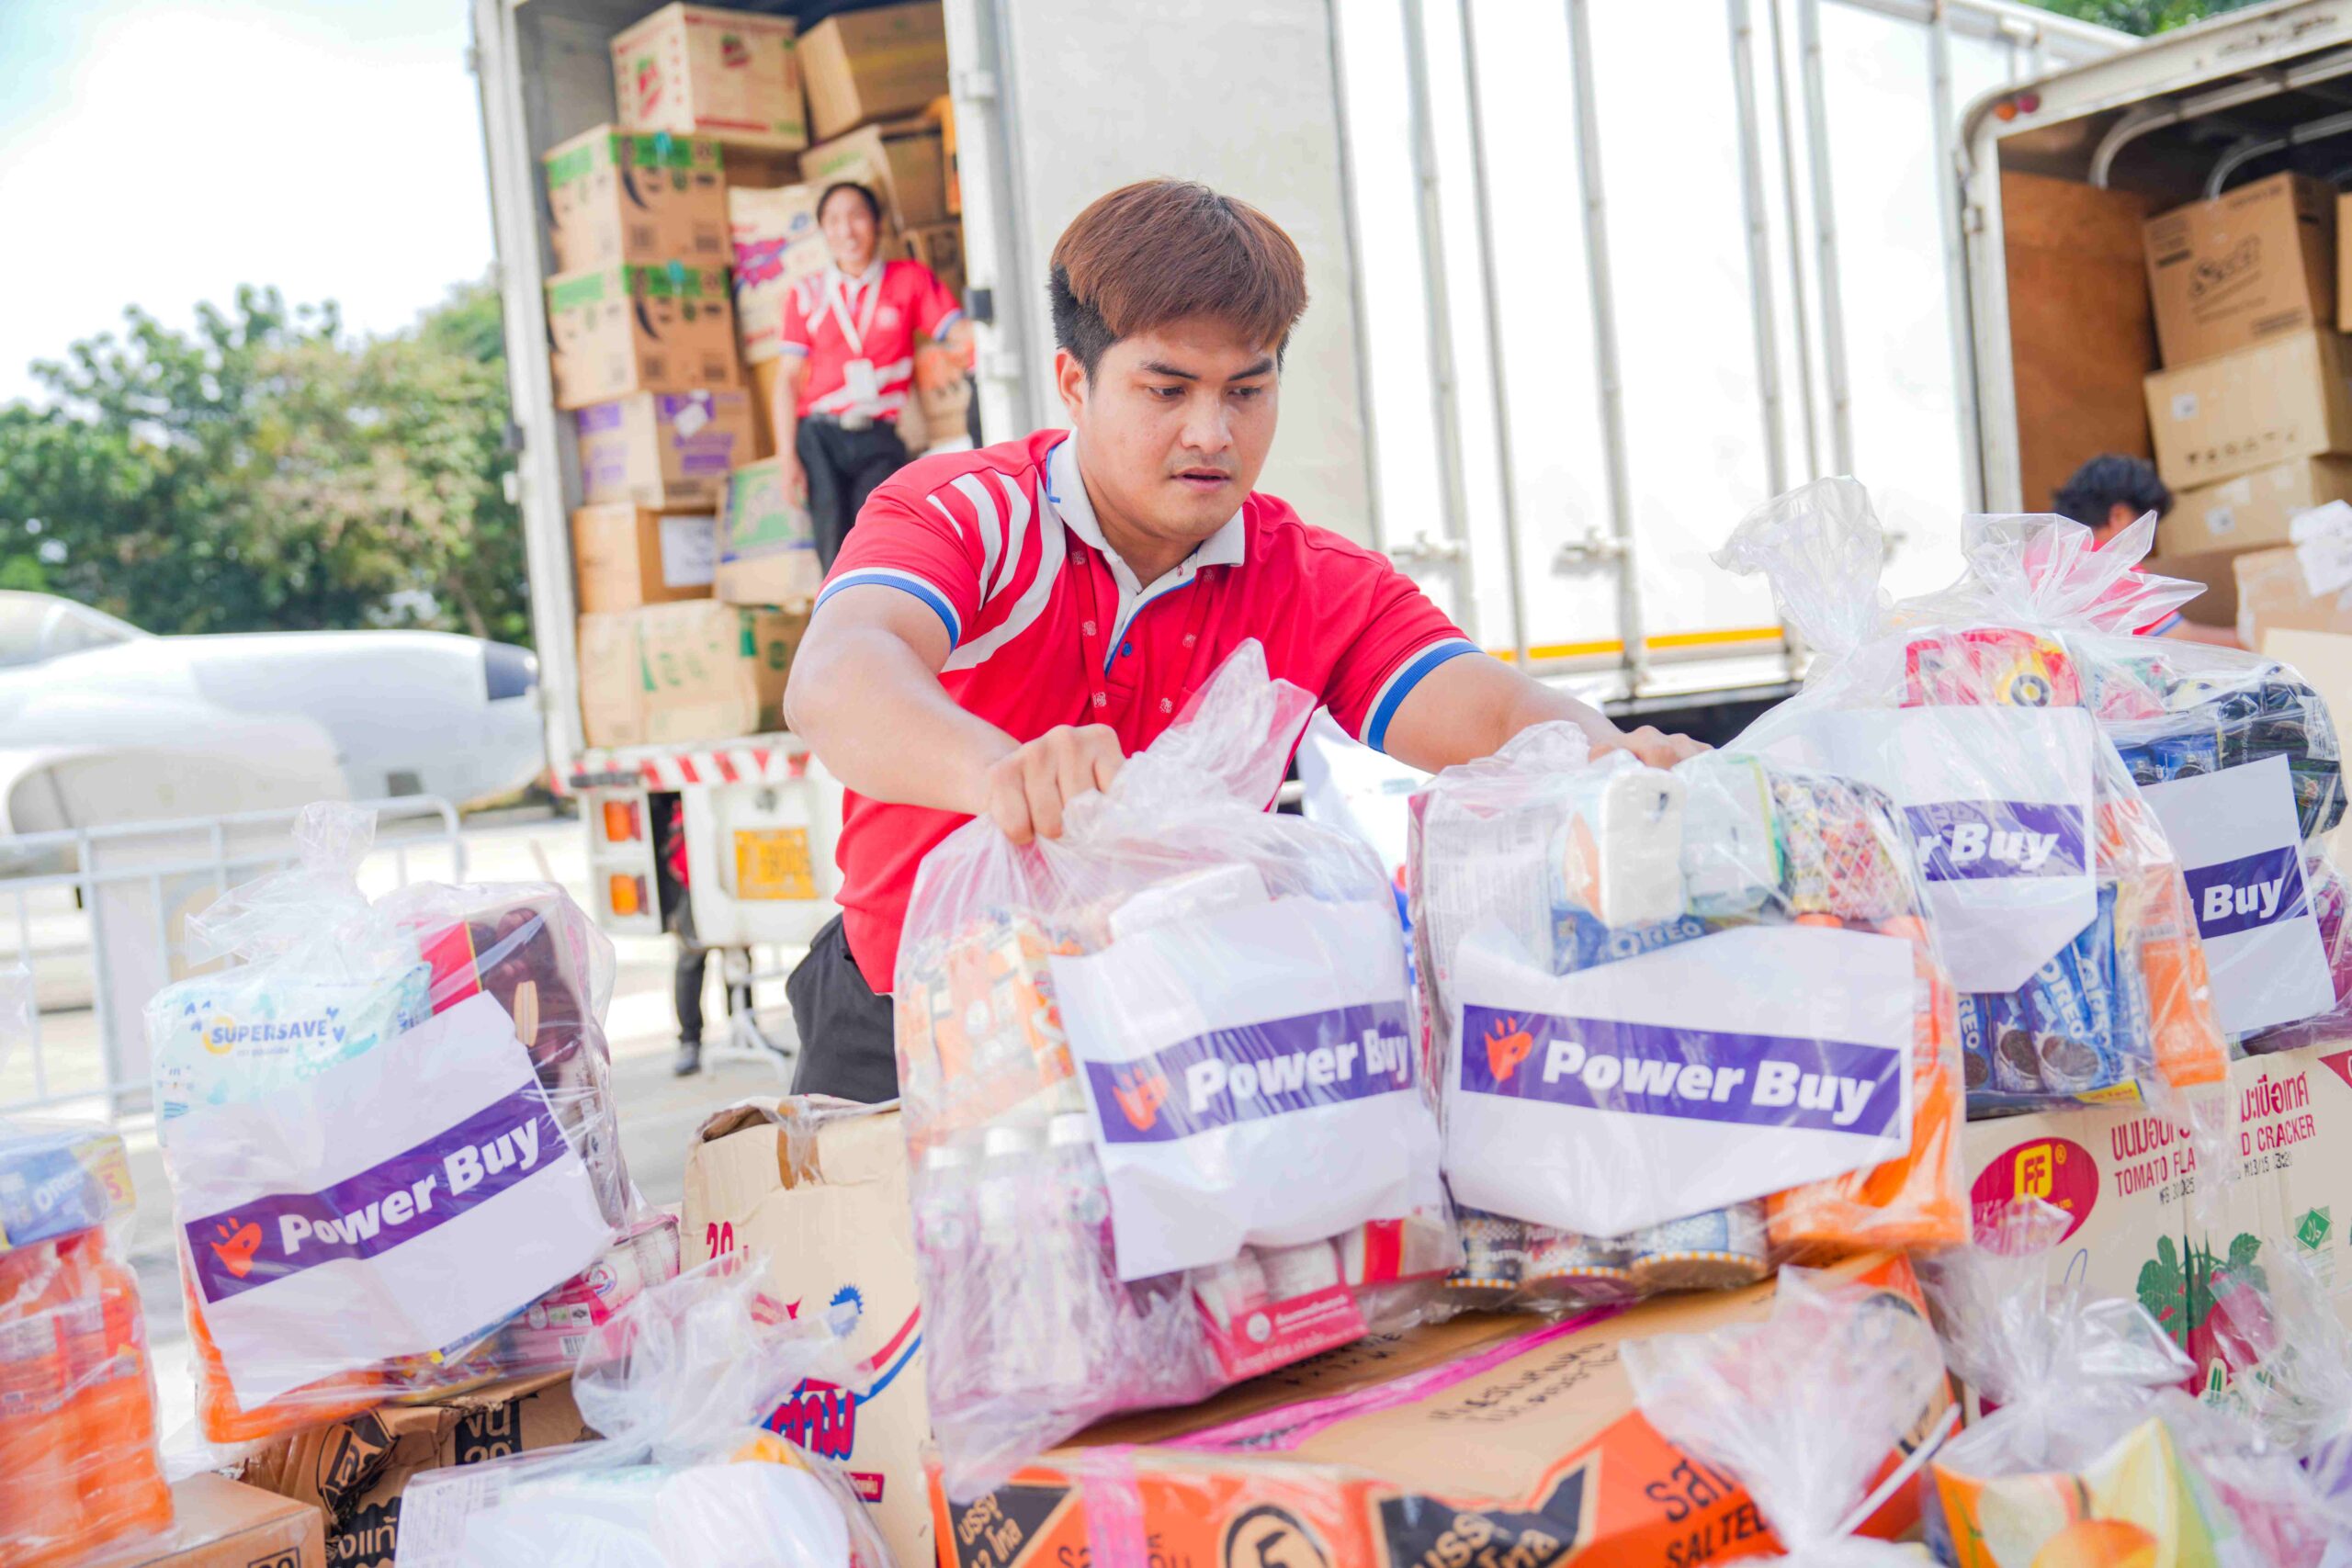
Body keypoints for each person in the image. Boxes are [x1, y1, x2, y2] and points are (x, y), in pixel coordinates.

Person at [778, 178, 1705, 1103]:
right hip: (909, 1021)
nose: (1211, 433)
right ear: (1073, 382)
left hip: (1178, 1040)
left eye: (1247, 391)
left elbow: (1495, 712)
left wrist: (1614, 758)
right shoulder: (969, 514)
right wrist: (1001, 773)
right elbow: (836, 675)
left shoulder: (1307, 577)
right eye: (1167, 389)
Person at [773, 182, 972, 570]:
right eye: (833, 221)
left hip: (879, 436)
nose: (846, 230)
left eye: (857, 216)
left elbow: (957, 332)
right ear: (823, 231)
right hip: (820, 436)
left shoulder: (909, 280)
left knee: (880, 543)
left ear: (877, 223)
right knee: (832, 551)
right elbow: (787, 380)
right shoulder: (807, 293)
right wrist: (786, 458)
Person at [2051, 454, 2240, 646]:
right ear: (2119, 516)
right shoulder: (2109, 571)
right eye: (2148, 526)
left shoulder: (2047, 557)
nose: (2149, 542)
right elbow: (2184, 642)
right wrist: (2247, 636)